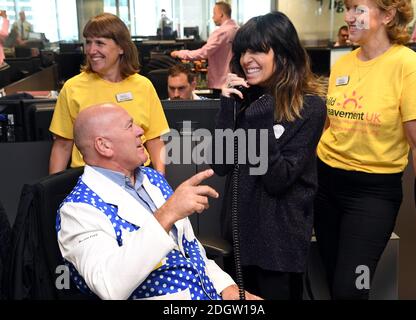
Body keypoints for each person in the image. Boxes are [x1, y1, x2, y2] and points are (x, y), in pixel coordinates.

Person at [56, 103, 262, 301]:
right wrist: (167, 214)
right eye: (129, 126)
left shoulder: (152, 179)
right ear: (104, 145)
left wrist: (227, 286)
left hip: (209, 292)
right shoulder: (78, 210)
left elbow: (191, 248)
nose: (140, 131)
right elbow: (108, 285)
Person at [314, 0, 416, 300]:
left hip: (371, 195)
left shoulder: (410, 66)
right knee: (331, 277)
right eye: (347, 8)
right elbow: (330, 125)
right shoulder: (343, 63)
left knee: (351, 288)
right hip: (325, 186)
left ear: (388, 15)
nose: (349, 17)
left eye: (358, 9)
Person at [212, 11, 326, 300]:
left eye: (258, 50)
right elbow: (222, 164)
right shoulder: (249, 100)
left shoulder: (309, 107)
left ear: (284, 52)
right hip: (242, 237)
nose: (247, 59)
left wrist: (260, 120)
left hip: (280, 244)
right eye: (243, 51)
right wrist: (228, 107)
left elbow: (278, 179)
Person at [49, 13, 169, 175]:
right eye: (88, 42)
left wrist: (160, 181)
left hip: (138, 176)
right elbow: (62, 146)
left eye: (100, 43)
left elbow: (154, 140)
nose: (91, 50)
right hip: (90, 179)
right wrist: (53, 193)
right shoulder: (72, 88)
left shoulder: (143, 86)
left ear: (121, 47)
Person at [170, 2, 239, 92]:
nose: (212, 17)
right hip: (235, 80)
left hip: (221, 83)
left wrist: (180, 53)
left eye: (214, 14)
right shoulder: (238, 29)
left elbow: (203, 53)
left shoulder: (221, 32)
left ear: (221, 14)